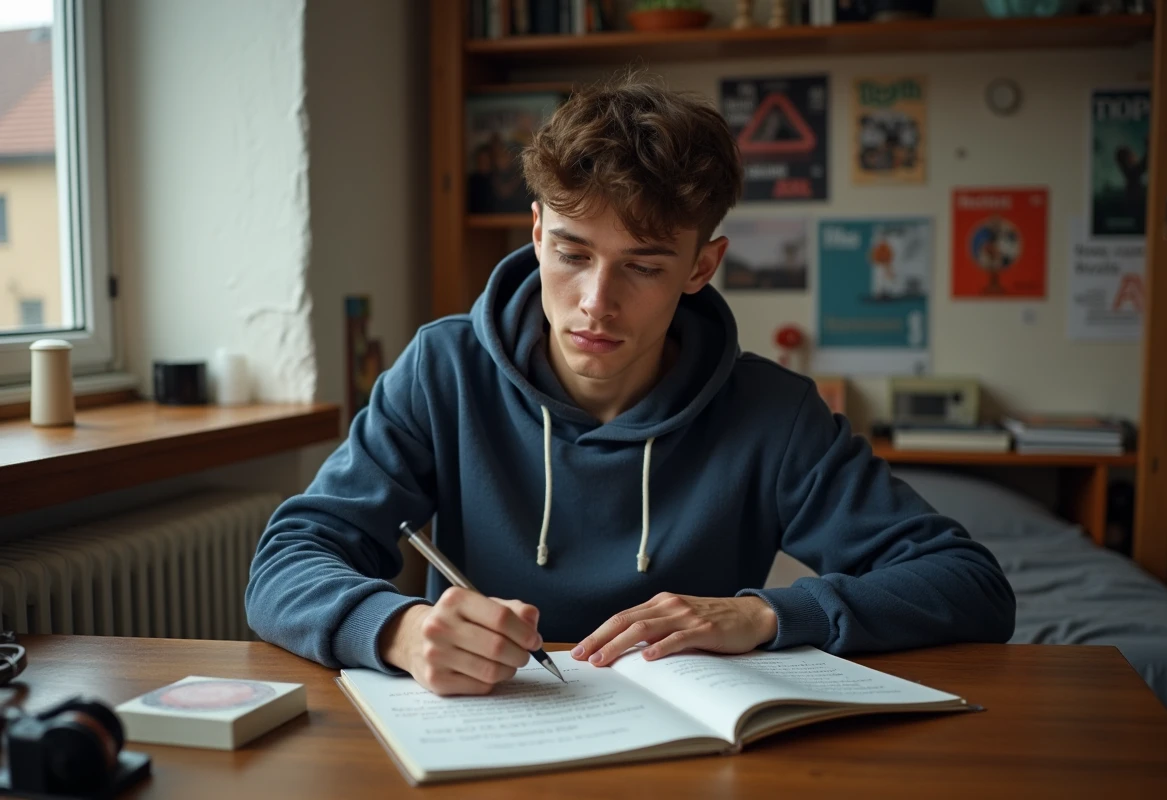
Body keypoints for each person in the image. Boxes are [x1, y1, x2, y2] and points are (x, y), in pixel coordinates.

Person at [246, 75, 1015, 697]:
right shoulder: (441, 371)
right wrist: (398, 631)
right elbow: (287, 562)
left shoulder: (774, 414)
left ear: (701, 268)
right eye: (574, 253)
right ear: (538, 231)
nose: (596, 302)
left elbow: (971, 585)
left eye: (644, 266)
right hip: (493, 740)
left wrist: (765, 615)